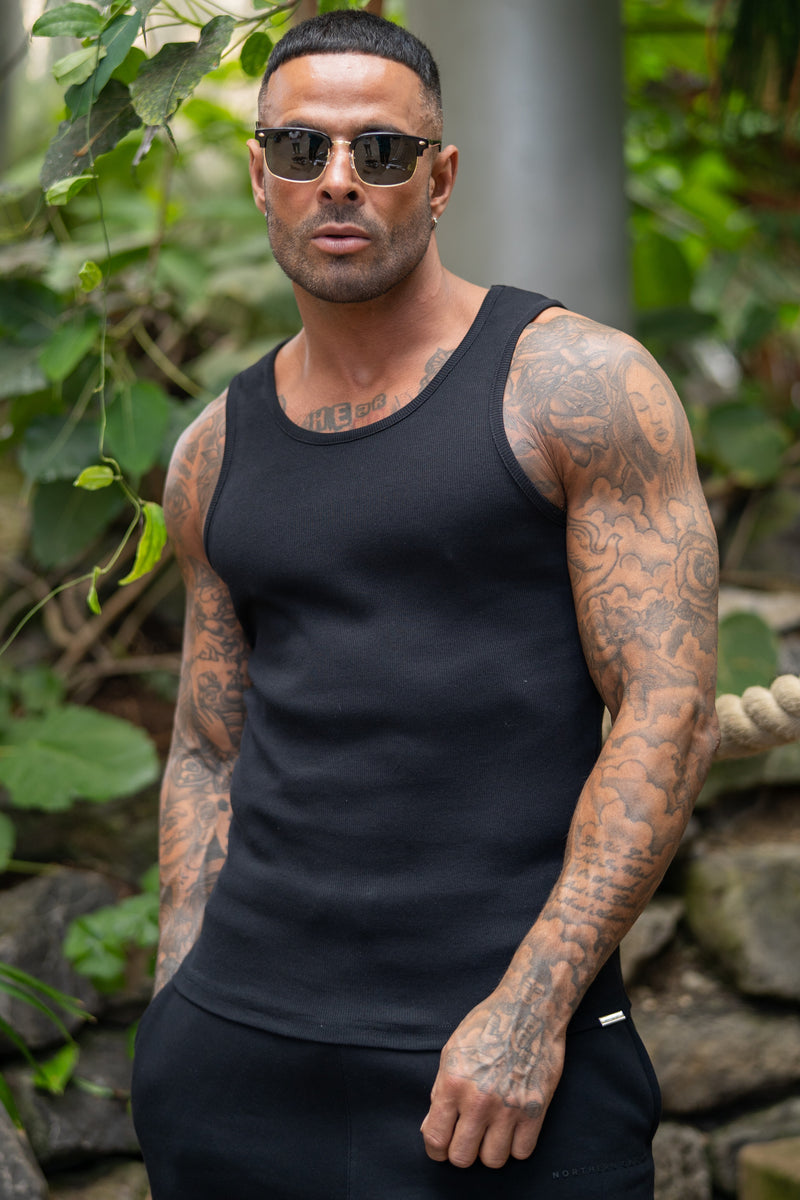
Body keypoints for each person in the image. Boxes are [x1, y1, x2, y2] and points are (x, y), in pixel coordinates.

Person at [131, 10, 719, 1198]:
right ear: (259, 174)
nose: (338, 179)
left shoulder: (573, 385)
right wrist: (176, 986)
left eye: (381, 151)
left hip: (497, 1070)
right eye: (300, 147)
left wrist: (530, 1010)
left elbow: (668, 709)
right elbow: (206, 744)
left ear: (439, 179)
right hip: (233, 1059)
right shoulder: (212, 450)